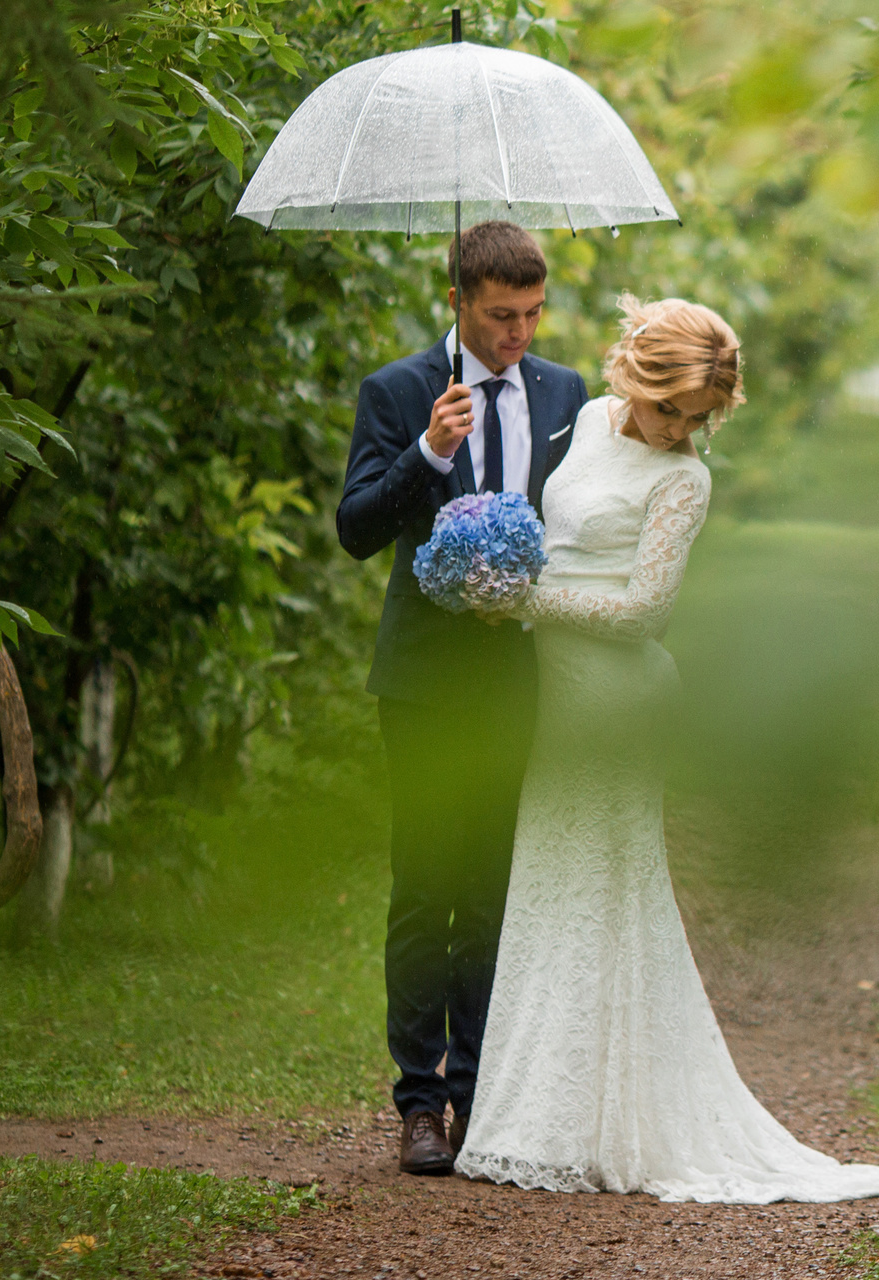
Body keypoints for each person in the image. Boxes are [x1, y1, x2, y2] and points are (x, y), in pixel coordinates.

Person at [453, 296, 879, 1202]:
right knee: (552, 890)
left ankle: (592, 1123)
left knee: (598, 892)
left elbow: (642, 613)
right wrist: (494, 561)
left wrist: (521, 601)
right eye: (670, 409)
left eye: (698, 420)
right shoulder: (588, 420)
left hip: (610, 700)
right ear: (634, 374)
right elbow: (558, 540)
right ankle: (539, 1114)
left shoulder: (685, 482)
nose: (679, 432)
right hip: (548, 689)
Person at [336, 220, 590, 1176]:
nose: (518, 333)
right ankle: (418, 1102)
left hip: (525, 680)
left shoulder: (566, 394)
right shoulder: (400, 392)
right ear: (458, 302)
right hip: (425, 683)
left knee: (493, 891)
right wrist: (430, 455)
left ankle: (481, 1094)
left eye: (530, 314)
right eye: (499, 316)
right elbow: (357, 530)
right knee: (426, 887)